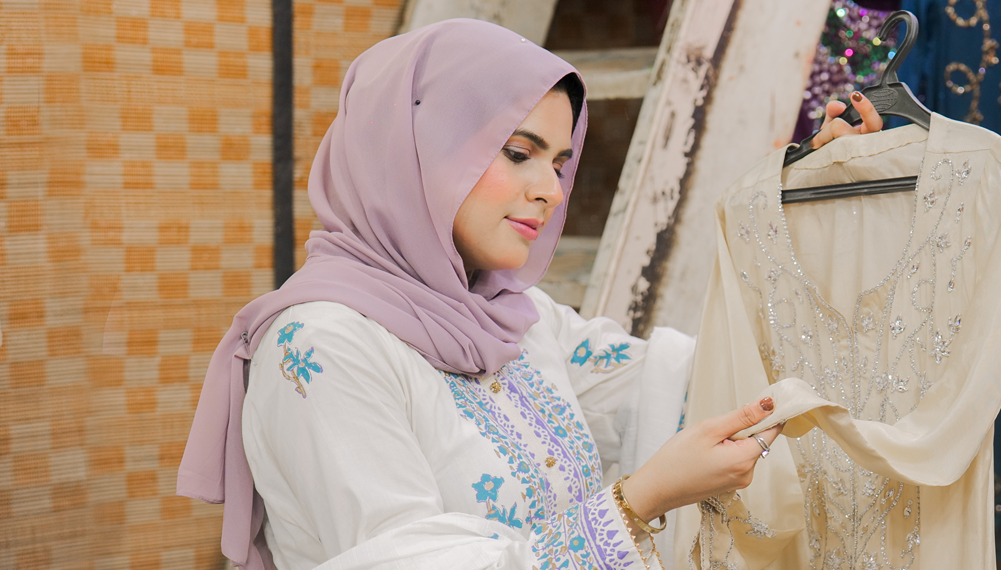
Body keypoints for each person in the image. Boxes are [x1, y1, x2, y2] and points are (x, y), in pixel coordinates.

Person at [176, 19, 885, 570]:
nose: (550, 190)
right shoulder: (319, 349)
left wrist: (814, 206)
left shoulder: (512, 318)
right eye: (518, 154)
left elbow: (694, 377)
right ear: (417, 148)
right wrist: (637, 502)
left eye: (559, 162)